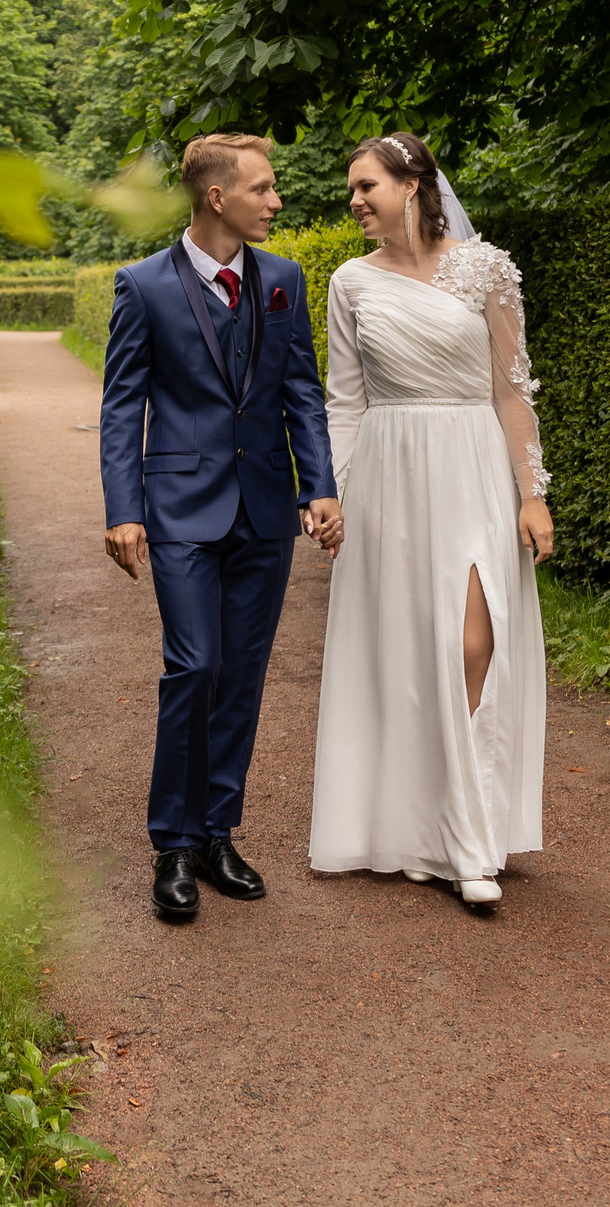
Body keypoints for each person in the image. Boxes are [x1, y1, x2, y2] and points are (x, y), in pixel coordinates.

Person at [100, 134, 344, 922]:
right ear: (217, 198)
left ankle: (215, 832)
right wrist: (124, 508)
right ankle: (172, 842)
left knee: (241, 675)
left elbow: (302, 392)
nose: (276, 201)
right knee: (194, 665)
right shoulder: (142, 286)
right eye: (265, 188)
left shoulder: (283, 278)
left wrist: (320, 487)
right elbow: (120, 407)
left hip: (266, 509)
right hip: (178, 509)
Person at [308, 132, 553, 906]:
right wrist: (336, 492)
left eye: (365, 185)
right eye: (350, 188)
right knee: (407, 655)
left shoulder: (487, 268)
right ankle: (428, 835)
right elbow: (343, 399)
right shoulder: (349, 282)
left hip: (473, 463)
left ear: (413, 185)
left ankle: (472, 835)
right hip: (389, 473)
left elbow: (512, 391)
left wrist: (532, 491)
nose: (354, 200)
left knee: (476, 640)